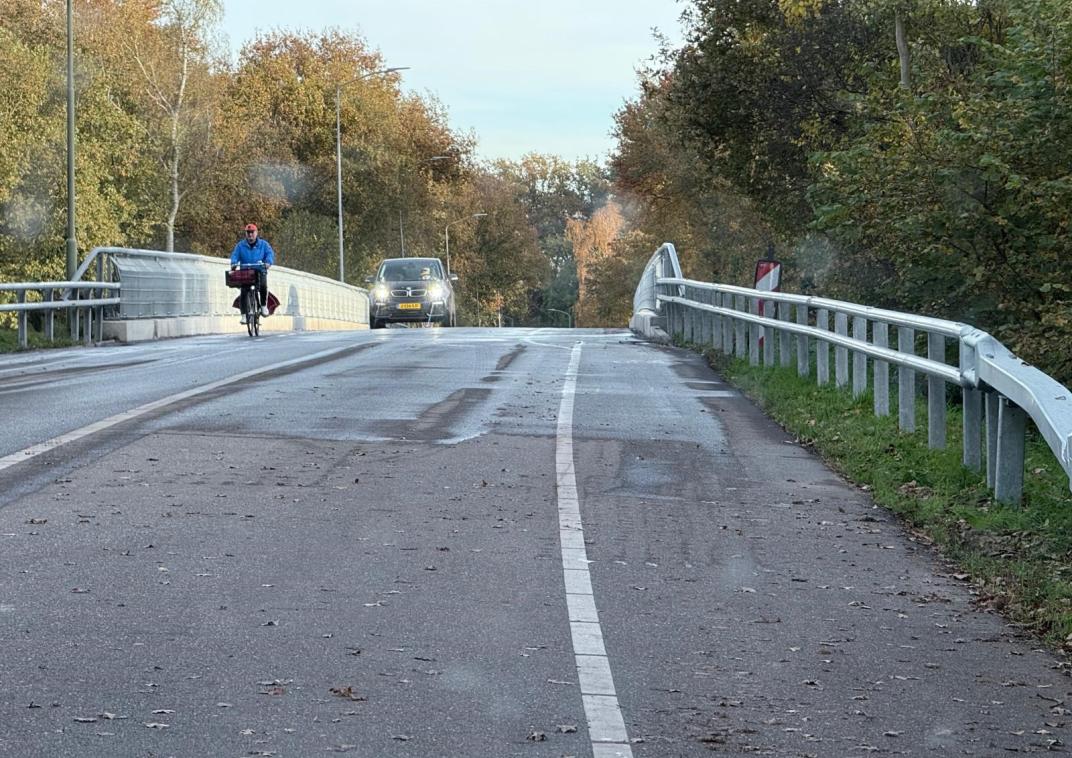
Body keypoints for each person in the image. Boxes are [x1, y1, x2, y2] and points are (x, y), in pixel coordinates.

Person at [230, 223, 275, 324]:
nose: (250, 235)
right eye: (248, 233)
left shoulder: (264, 244)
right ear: (246, 234)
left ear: (256, 233)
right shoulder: (240, 245)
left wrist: (268, 262)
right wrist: (233, 263)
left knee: (263, 286)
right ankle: (244, 316)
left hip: (260, 270)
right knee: (243, 292)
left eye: (252, 232)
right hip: (246, 272)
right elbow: (235, 255)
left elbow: (270, 254)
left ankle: (263, 306)